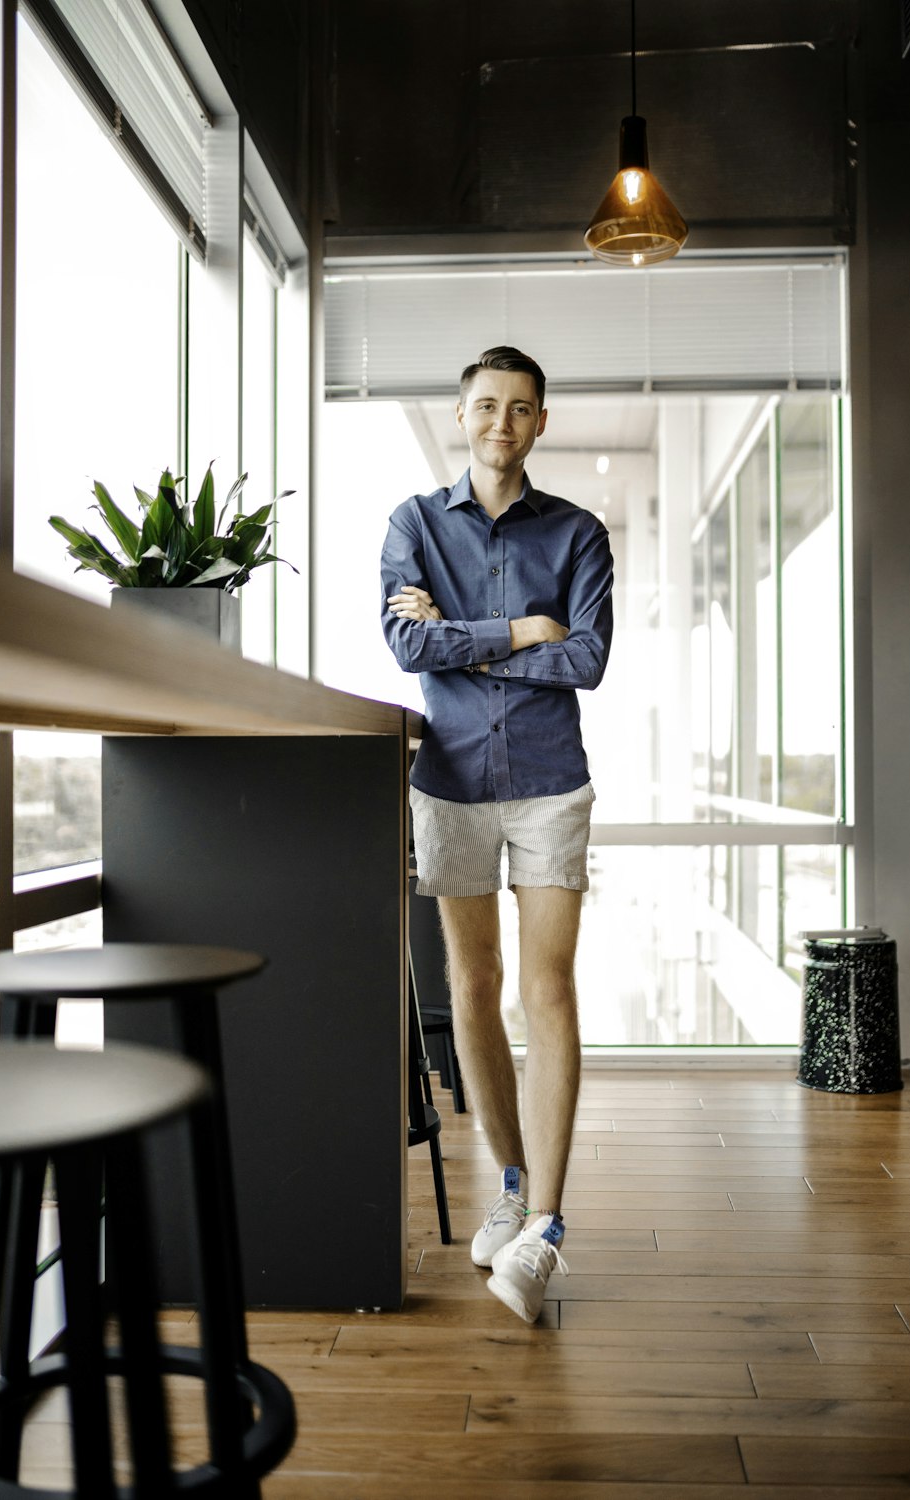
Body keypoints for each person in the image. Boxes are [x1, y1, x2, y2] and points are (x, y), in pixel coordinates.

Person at [380, 345, 613, 1323]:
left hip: (551, 785)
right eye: (486, 407)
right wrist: (522, 631)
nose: (501, 424)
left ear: (540, 422)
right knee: (472, 988)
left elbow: (591, 658)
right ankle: (509, 1184)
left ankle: (546, 1228)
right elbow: (404, 645)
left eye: (520, 409)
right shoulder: (413, 525)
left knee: (547, 988)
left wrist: (463, 640)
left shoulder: (579, 532)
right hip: (452, 783)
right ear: (461, 415)